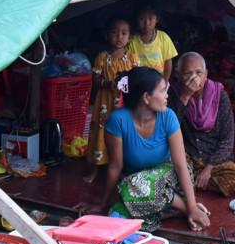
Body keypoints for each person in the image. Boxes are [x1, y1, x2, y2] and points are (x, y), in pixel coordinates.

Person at [76, 67, 211, 231]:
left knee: (134, 186)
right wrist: (103, 204)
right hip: (138, 187)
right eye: (162, 91)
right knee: (116, 214)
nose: (167, 96)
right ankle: (172, 210)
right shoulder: (118, 120)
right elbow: (115, 166)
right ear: (146, 98)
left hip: (171, 177)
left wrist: (191, 207)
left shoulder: (168, 117)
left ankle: (183, 208)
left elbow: (181, 165)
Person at [169, 52, 235, 198]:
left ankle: (190, 184)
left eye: (199, 73)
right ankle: (190, 182)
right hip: (187, 157)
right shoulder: (173, 94)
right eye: (188, 73)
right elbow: (169, 129)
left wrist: (208, 169)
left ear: (206, 75)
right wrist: (185, 96)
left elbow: (227, 140)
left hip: (214, 159)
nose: (194, 78)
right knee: (168, 171)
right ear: (179, 76)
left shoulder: (220, 96)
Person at [86, 18, 139, 175]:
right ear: (107, 35)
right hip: (104, 102)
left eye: (124, 33)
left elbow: (136, 79)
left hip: (124, 103)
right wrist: (106, 83)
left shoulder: (132, 57)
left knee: (123, 132)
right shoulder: (102, 57)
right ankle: (95, 168)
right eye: (114, 33)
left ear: (129, 37)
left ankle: (121, 168)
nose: (119, 37)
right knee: (100, 131)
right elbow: (95, 80)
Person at [128, 0, 178, 80]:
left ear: (157, 19)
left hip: (159, 83)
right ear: (136, 19)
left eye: (150, 19)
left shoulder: (163, 38)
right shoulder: (132, 41)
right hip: (140, 83)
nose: (146, 23)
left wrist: (165, 81)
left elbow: (168, 62)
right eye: (141, 19)